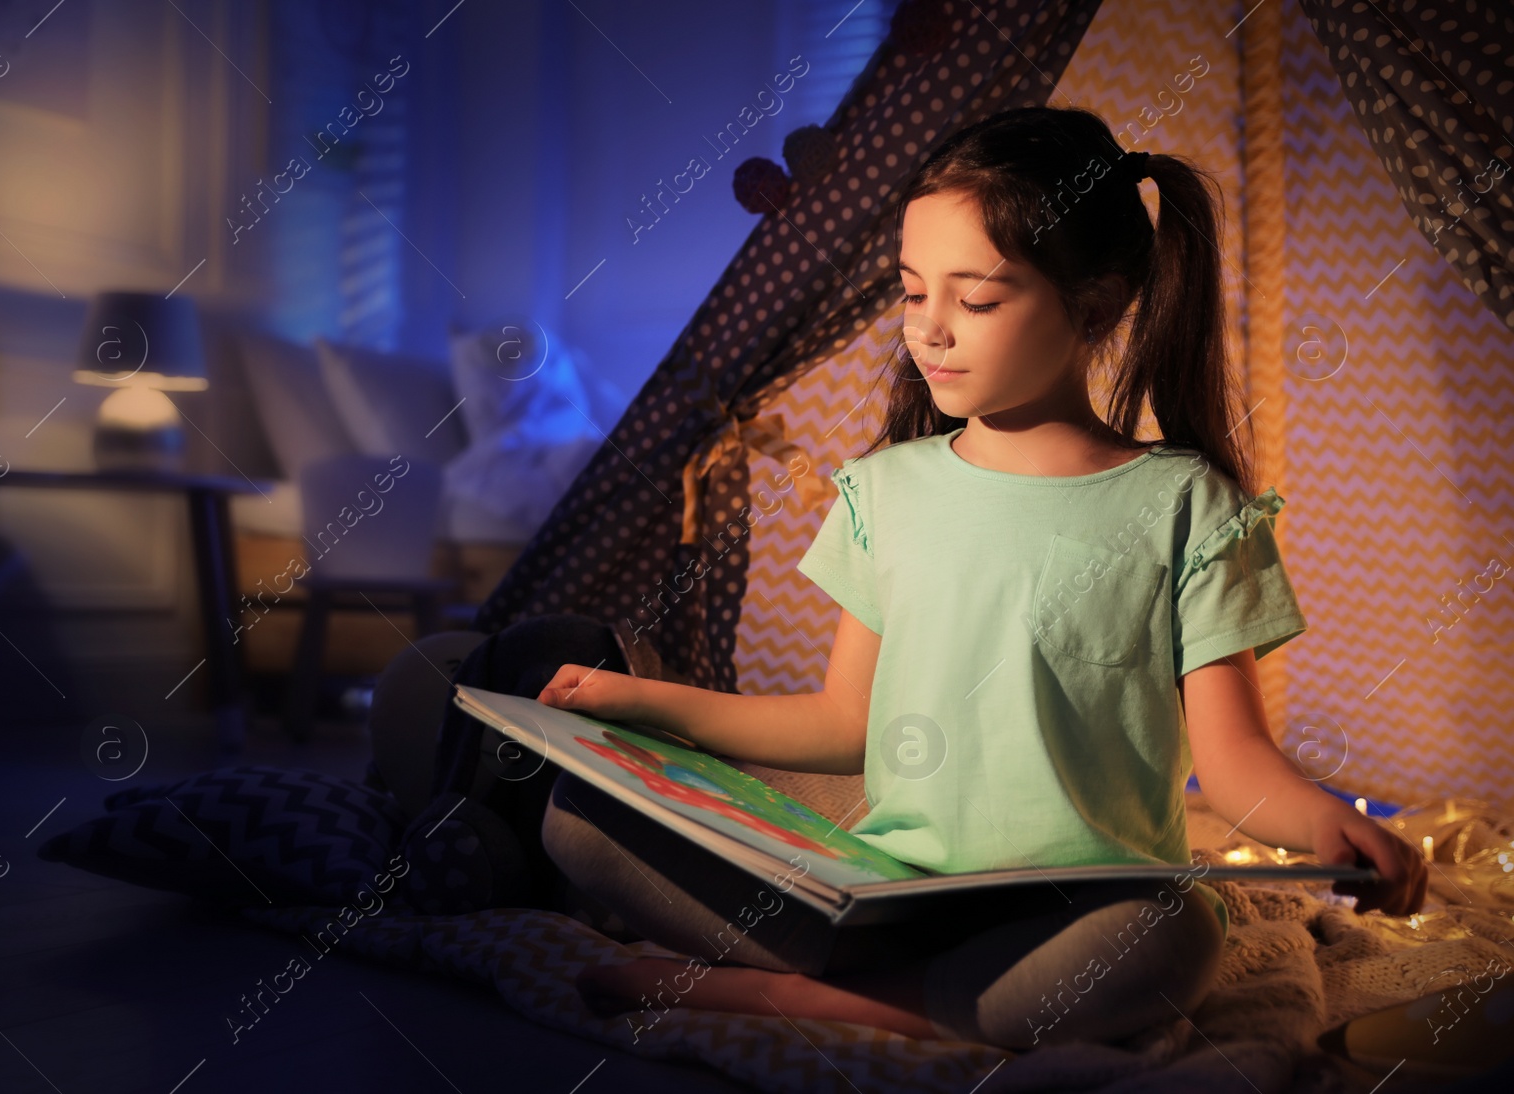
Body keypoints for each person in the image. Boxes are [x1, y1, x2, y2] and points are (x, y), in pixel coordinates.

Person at [530, 105, 1428, 1049]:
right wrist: (644, 704)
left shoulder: (1187, 505)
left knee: (1171, 940)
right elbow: (844, 726)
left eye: (979, 300)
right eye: (914, 293)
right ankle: (922, 987)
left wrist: (1327, 823)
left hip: (1080, 912)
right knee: (578, 820)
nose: (931, 332)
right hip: (881, 887)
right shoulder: (886, 489)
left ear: (1095, 305)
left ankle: (797, 998)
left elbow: (1237, 767)